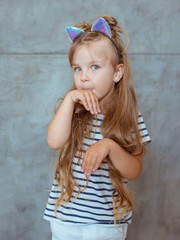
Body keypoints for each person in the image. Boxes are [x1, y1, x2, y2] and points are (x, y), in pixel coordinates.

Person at [44, 16, 151, 240]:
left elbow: (135, 170)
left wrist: (110, 146)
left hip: (105, 224)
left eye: (94, 67)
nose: (83, 77)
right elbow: (54, 141)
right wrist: (70, 99)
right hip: (64, 219)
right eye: (77, 68)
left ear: (117, 73)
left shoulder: (128, 117)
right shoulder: (71, 110)